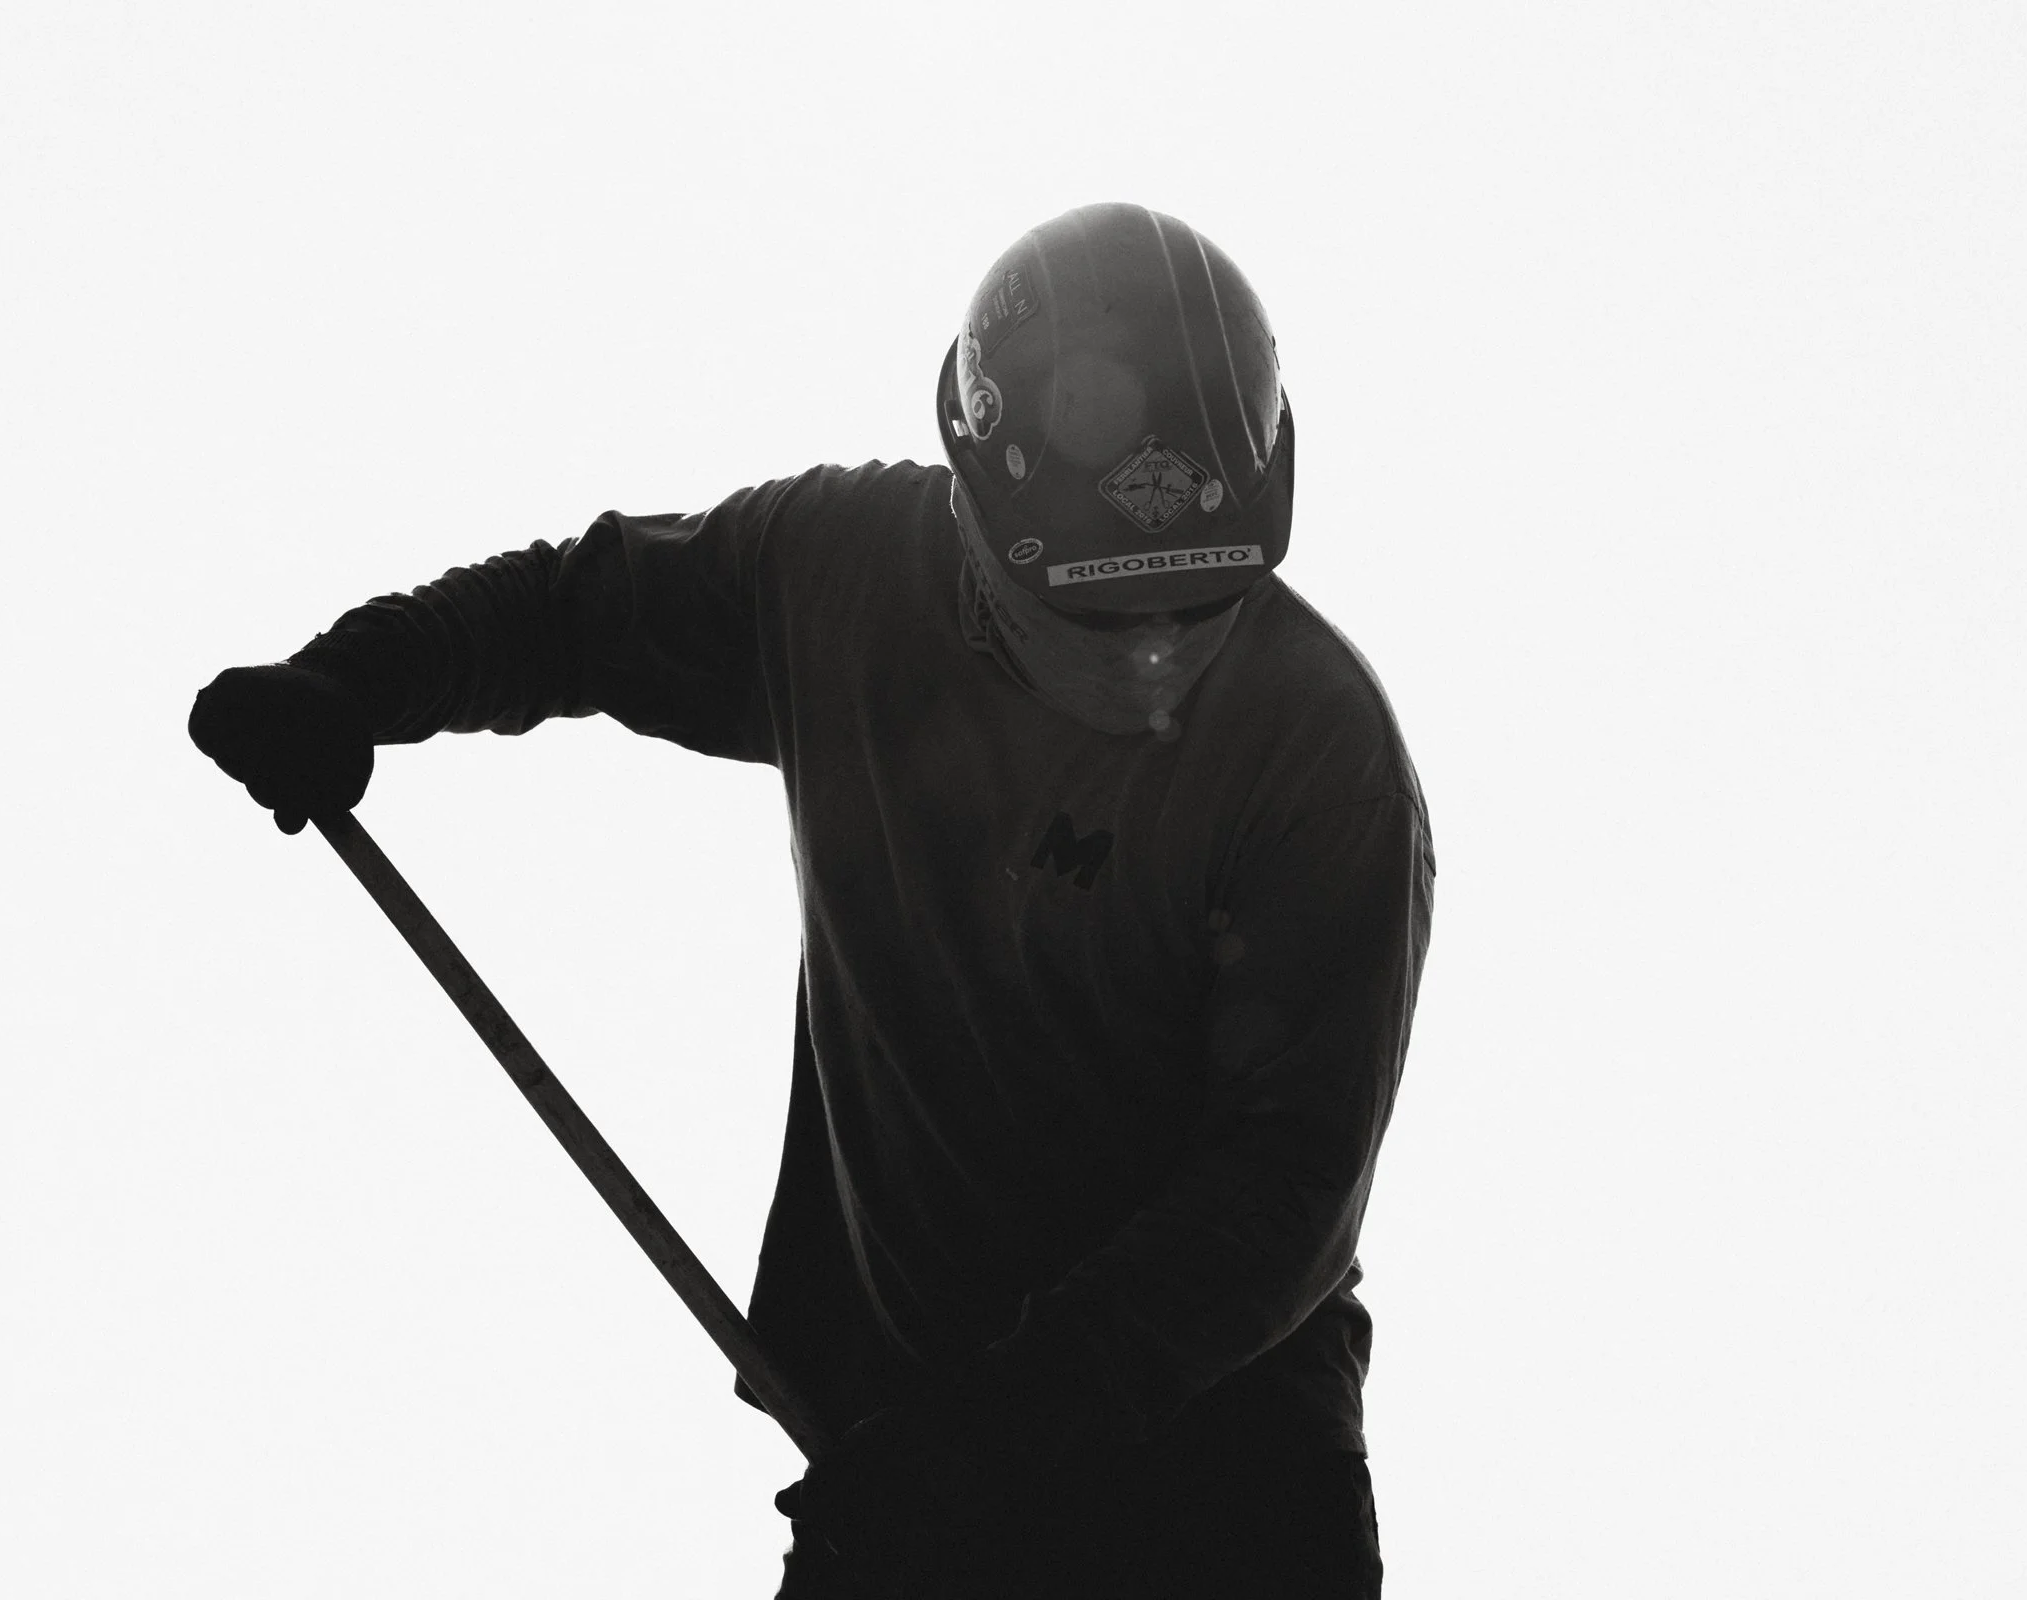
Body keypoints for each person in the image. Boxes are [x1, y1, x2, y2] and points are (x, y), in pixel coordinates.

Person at [190, 202, 1432, 1598]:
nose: (1147, 666)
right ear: (972, 513)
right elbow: (576, 612)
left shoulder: (1319, 758)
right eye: (1091, 619)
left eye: (1186, 613)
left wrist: (991, 1440)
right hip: (900, 1432)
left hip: (1218, 1477)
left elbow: (1282, 1189)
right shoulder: (842, 579)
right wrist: (358, 678)